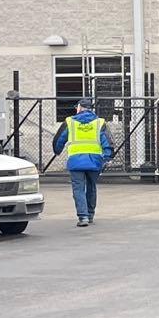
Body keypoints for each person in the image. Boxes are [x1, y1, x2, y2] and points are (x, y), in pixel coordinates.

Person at [53, 97, 116, 227]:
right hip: (95, 161)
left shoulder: (69, 122)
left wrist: (57, 151)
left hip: (76, 161)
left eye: (77, 107)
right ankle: (90, 214)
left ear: (80, 107)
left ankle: (83, 217)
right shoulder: (100, 123)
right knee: (91, 187)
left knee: (78, 189)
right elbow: (108, 141)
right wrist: (107, 157)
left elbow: (59, 140)